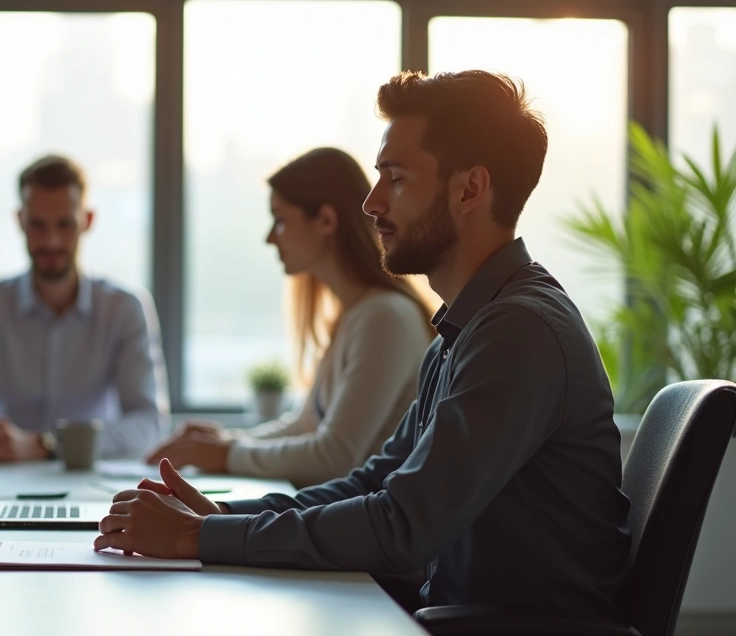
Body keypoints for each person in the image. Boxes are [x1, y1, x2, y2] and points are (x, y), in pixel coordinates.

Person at [94, 70, 632, 620]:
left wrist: (197, 539)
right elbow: (374, 480)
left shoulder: (518, 331)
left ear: (469, 189)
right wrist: (216, 518)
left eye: (395, 179)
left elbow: (402, 526)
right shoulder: (467, 328)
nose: (372, 203)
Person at [146, 147, 433, 488]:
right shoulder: (355, 315)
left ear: (326, 220)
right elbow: (304, 425)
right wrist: (226, 440)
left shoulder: (384, 318)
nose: (270, 237)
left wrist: (223, 454)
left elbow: (334, 456)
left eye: (281, 220)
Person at [0, 154, 168, 463]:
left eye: (65, 224)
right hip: (2, 477)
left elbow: (149, 424)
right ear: (19, 220)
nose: (51, 241)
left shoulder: (124, 308)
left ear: (88, 220)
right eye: (37, 225)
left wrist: (46, 444)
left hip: (92, 482)